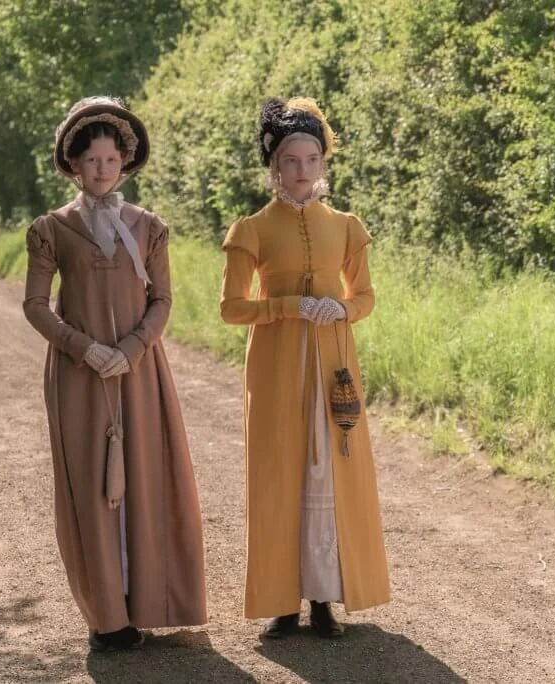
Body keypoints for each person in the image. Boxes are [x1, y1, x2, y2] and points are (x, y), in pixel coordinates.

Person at [23, 96, 207, 651]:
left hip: (139, 371)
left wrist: (131, 348)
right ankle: (108, 619)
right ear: (73, 165)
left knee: (146, 477)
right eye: (91, 160)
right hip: (79, 377)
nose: (101, 169)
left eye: (110, 159)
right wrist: (83, 349)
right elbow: (35, 305)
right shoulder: (52, 229)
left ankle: (148, 602)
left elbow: (162, 300)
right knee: (91, 489)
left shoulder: (149, 228)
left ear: (124, 160)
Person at [219, 97, 390, 640]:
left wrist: (342, 308)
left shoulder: (346, 226)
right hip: (275, 370)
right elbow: (232, 309)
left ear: (323, 162)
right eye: (291, 160)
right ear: (274, 165)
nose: (302, 170)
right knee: (280, 474)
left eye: (311, 159)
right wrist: (288, 306)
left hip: (334, 364)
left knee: (327, 473)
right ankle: (280, 603)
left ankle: (322, 599)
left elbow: (365, 297)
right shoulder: (252, 229)